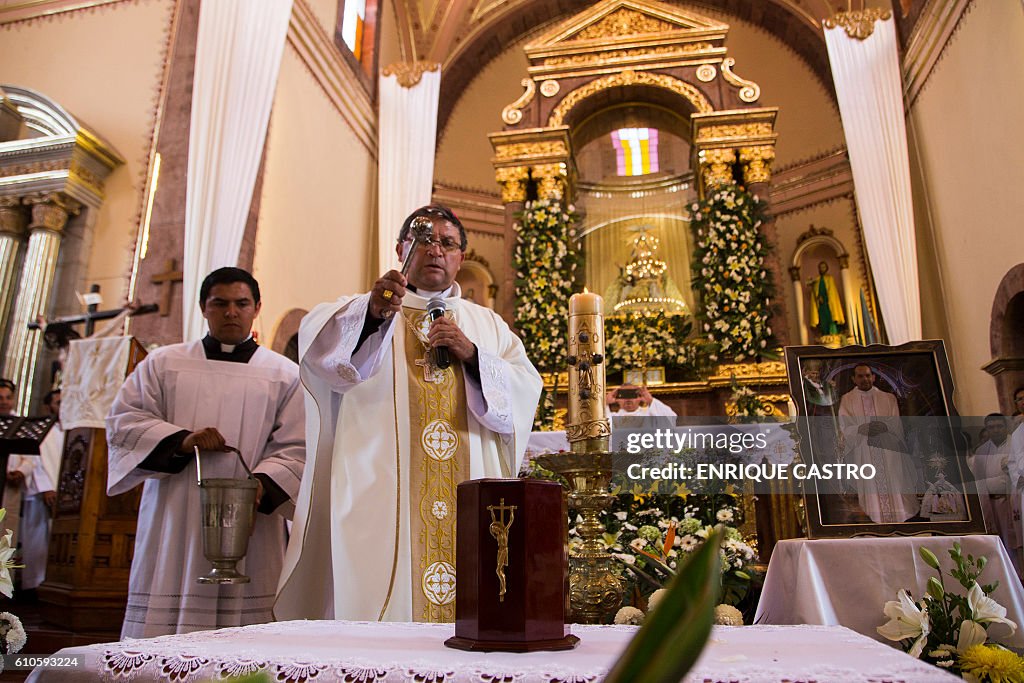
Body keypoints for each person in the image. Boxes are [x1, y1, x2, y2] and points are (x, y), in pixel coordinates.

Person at [276, 204, 541, 624]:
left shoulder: (487, 325)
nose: (436, 250)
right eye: (424, 240)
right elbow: (322, 356)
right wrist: (373, 315)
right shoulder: (365, 308)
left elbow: (524, 394)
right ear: (401, 248)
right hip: (380, 487)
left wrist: (471, 354)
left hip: (467, 487)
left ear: (461, 258)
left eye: (448, 243)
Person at [106, 267, 305, 638]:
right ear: (203, 308)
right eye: (220, 303)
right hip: (176, 509)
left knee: (248, 635)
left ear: (257, 307)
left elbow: (299, 444)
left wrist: (263, 483)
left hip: (251, 518)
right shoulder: (163, 364)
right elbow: (123, 421)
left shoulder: (284, 374)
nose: (231, 312)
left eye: (241, 303)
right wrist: (181, 441)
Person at [838, 364, 920, 524]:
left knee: (894, 482)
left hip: (888, 449)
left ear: (873, 377)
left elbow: (896, 424)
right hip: (865, 450)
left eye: (868, 375)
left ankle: (899, 518)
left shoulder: (887, 398)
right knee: (870, 485)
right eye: (860, 376)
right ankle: (874, 520)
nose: (865, 379)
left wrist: (884, 427)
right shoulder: (847, 399)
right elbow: (845, 427)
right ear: (854, 379)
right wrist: (862, 428)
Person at [7, 390, 64, 594]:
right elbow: (35, 459)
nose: (62, 406)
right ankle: (33, 584)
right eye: (58, 402)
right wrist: (45, 486)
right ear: (48, 406)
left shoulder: (68, 429)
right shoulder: (41, 428)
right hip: (41, 492)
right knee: (37, 538)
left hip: (64, 494)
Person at [971, 414, 1020, 572]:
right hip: (992, 505)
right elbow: (978, 481)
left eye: (999, 426)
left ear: (1006, 427)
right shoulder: (981, 451)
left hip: (1013, 503)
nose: (996, 430)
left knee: (1018, 541)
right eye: (991, 427)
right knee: (1000, 544)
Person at [808, 261, 845, 336]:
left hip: (829, 304)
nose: (822, 269)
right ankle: (825, 334)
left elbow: (832, 293)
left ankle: (833, 334)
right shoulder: (817, 280)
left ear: (826, 268)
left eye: (824, 267)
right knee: (823, 321)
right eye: (821, 267)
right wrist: (818, 297)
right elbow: (815, 293)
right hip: (821, 305)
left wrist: (825, 298)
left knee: (831, 319)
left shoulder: (830, 279)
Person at [606, 384, 677, 418]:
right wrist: (605, 403)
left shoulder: (649, 415)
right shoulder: (611, 418)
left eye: (632, 395)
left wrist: (650, 400)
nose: (628, 399)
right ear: (617, 399)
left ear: (640, 398)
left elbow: (671, 418)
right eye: (624, 395)